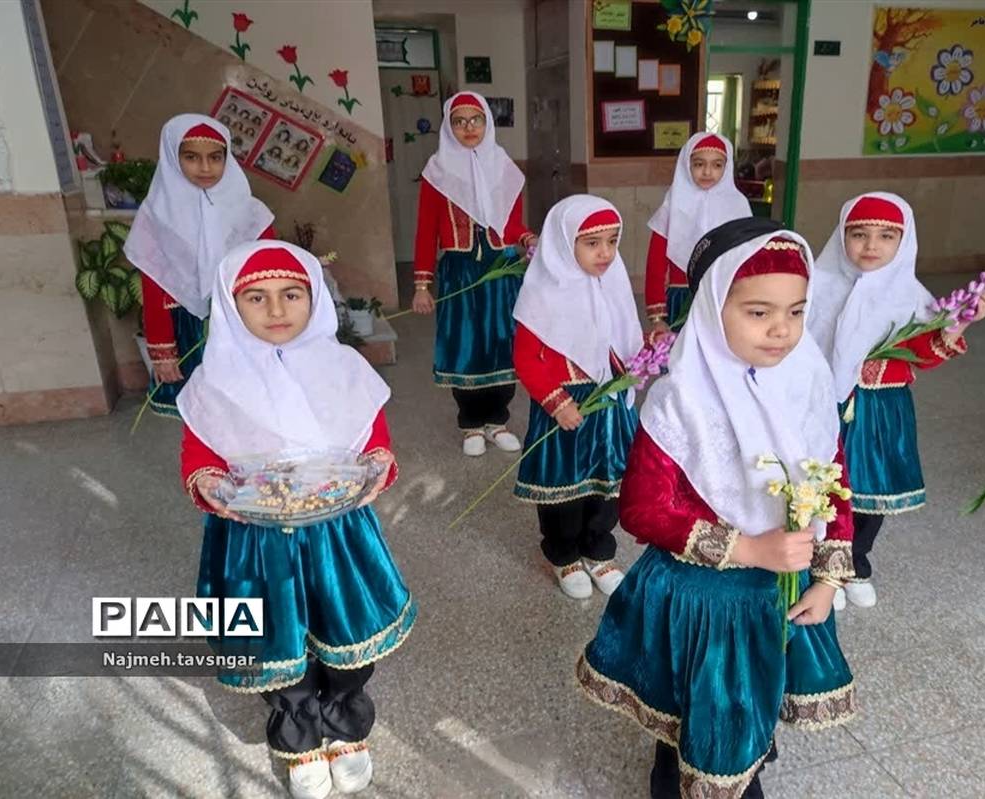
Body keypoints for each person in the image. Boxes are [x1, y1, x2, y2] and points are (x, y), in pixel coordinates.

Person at [577, 220, 856, 798]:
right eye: (758, 312)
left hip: (778, 592)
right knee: (698, 721)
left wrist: (828, 579)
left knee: (749, 701)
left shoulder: (806, 380)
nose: (782, 330)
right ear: (710, 309)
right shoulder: (683, 398)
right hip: (705, 603)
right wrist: (750, 548)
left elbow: (834, 485)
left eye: (797, 312)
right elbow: (642, 509)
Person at [177, 241, 415, 799]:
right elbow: (199, 453)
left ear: (315, 299)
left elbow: (371, 436)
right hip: (257, 540)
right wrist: (210, 481)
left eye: (291, 294)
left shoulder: (343, 368)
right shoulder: (215, 380)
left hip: (337, 533)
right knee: (277, 644)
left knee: (345, 633)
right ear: (232, 308)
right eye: (256, 298)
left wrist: (378, 463)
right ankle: (300, 736)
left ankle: (346, 727)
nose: (277, 310)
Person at [807, 193, 985, 609]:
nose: (871, 246)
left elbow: (924, 355)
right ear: (842, 236)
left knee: (870, 492)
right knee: (823, 487)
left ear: (903, 241)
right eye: (859, 234)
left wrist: (960, 322)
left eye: (886, 236)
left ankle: (854, 564)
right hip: (826, 407)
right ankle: (822, 568)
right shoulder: (817, 286)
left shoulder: (910, 296)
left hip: (882, 410)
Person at [511, 196, 644, 599]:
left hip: (608, 405)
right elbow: (525, 357)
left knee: (609, 486)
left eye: (612, 241)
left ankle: (598, 548)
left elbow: (623, 336)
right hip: (566, 408)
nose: (605, 252)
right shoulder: (543, 293)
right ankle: (563, 551)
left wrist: (638, 363)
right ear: (563, 243)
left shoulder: (613, 283)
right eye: (592, 243)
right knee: (565, 489)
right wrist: (555, 401)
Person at [124, 114, 275, 417]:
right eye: (191, 157)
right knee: (200, 414)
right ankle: (205, 465)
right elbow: (154, 284)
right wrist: (162, 351)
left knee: (249, 411)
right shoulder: (157, 216)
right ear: (172, 157)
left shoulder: (250, 212)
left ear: (227, 159)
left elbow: (267, 275)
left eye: (215, 158)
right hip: (186, 327)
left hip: (240, 324)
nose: (205, 168)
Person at [413, 91, 537, 456]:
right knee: (465, 345)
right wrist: (422, 285)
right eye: (459, 121)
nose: (469, 128)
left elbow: (512, 226)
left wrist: (528, 238)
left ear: (488, 123)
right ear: (449, 127)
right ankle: (470, 424)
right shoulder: (437, 171)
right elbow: (425, 232)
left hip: (501, 270)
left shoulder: (505, 169)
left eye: (476, 120)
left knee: (503, 343)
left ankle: (497, 421)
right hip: (460, 271)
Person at [645, 132, 750, 330]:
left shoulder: (738, 206)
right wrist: (658, 317)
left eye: (717, 165)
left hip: (724, 297)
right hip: (681, 298)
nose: (707, 172)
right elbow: (656, 263)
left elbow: (746, 256)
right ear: (686, 165)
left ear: (727, 168)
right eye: (699, 164)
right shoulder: (673, 205)